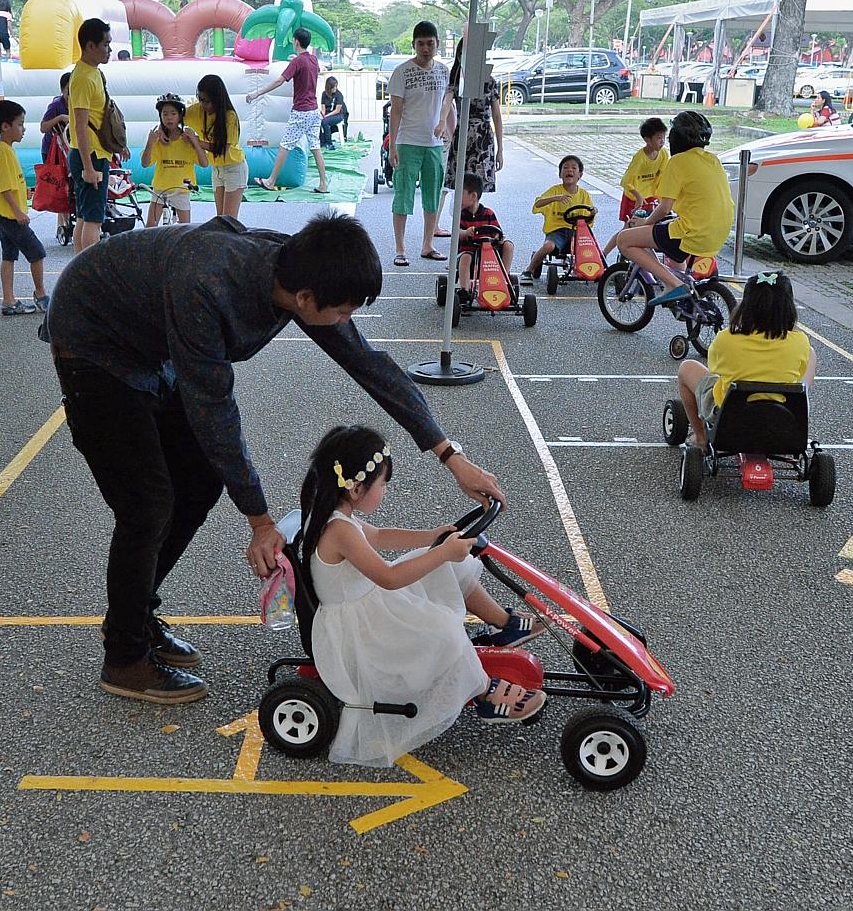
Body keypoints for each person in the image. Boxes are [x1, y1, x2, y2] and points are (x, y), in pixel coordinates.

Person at [45, 213, 508, 704]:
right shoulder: (208, 287)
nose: (346, 321)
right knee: (147, 504)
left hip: (151, 335)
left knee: (201, 481)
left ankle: (132, 613)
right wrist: (261, 523)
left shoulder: (298, 273)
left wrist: (449, 455)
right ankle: (125, 657)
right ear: (306, 300)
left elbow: (368, 364)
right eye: (344, 311)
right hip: (93, 341)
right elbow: (214, 412)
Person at [299, 425, 547, 766]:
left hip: (371, 604)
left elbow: (381, 536)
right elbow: (388, 577)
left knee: (449, 569)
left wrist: (432, 537)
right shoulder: (339, 530)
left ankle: (503, 623)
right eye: (383, 483)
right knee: (443, 628)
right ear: (357, 489)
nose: (385, 490)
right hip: (360, 630)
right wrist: (443, 552)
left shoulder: (340, 516)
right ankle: (484, 692)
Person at [674, 271, 816, 449]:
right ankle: (803, 407)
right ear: (788, 307)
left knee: (687, 368)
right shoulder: (800, 341)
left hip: (730, 416)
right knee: (810, 354)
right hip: (783, 415)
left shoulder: (726, 339)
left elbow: (714, 369)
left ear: (746, 306)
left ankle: (701, 438)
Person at [608, 111, 732, 305]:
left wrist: (645, 223)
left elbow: (665, 208)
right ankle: (682, 295)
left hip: (692, 231)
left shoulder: (677, 162)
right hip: (719, 231)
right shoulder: (713, 159)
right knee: (673, 251)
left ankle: (674, 284)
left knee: (625, 240)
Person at [387, 22, 450, 267]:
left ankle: (428, 245)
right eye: (421, 43)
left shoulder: (444, 71)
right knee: (403, 196)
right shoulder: (402, 71)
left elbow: (448, 103)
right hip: (407, 142)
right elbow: (396, 111)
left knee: (432, 196)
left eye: (430, 43)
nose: (426, 48)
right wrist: (393, 146)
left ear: (437, 43)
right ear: (413, 45)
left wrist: (447, 127)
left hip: (434, 145)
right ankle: (400, 249)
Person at [68, 17, 129, 253]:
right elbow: (81, 126)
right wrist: (88, 167)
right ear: (90, 46)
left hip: (95, 153)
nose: (109, 50)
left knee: (85, 215)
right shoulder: (83, 78)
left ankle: (79, 272)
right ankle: (87, 272)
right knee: (93, 218)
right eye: (105, 44)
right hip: (90, 156)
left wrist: (115, 146)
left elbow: (98, 118)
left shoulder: (92, 73)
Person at [246, 27, 329, 194]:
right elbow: (307, 68)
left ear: (296, 42)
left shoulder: (298, 62)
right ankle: (323, 183)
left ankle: (270, 181)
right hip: (313, 111)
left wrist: (257, 93)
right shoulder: (312, 59)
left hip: (301, 112)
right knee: (315, 146)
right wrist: (295, 59)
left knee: (285, 145)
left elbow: (279, 81)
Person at [0, 100, 48, 316]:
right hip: (11, 217)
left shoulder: (5, 150)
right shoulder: (4, 152)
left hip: (5, 215)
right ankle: (41, 295)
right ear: (6, 126)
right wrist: (18, 212)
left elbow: (11, 183)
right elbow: (5, 188)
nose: (23, 129)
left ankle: (8, 301)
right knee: (37, 253)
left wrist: (25, 192)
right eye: (20, 124)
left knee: (9, 256)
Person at [438, 38, 504, 199]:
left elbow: (497, 115)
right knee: (457, 182)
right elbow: (447, 102)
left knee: (477, 186)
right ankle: (452, 220)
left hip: (484, 137)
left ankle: (473, 219)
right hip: (463, 136)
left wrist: (500, 149)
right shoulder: (456, 80)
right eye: (462, 54)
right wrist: (441, 122)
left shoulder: (489, 81)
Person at [185, 74, 248, 218]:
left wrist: (196, 141)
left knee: (229, 220)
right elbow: (177, 116)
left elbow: (222, 149)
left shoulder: (230, 116)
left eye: (206, 101)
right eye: (200, 99)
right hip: (217, 169)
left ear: (217, 99)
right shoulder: (198, 110)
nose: (203, 105)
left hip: (234, 168)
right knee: (220, 219)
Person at [142, 92, 209, 226]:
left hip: (181, 190)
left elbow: (204, 163)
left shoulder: (187, 139)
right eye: (165, 114)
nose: (169, 118)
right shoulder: (158, 139)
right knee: (150, 227)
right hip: (160, 189)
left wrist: (195, 142)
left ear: (180, 116)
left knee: (185, 228)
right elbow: (145, 164)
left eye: (173, 113)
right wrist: (150, 143)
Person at [526, 155, 594, 283]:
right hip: (557, 231)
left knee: (591, 247)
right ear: (560, 173)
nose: (570, 170)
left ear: (580, 175)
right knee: (548, 247)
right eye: (566, 168)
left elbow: (589, 219)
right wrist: (555, 198)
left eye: (574, 168)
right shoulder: (554, 191)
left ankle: (597, 268)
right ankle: (529, 270)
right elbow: (537, 204)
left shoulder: (584, 194)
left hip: (577, 232)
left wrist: (593, 212)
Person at [453, 172, 512, 295]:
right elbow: (456, 232)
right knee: (465, 258)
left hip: (489, 252)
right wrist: (465, 232)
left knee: (508, 245)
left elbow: (498, 231)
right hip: (470, 250)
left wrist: (497, 237)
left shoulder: (488, 213)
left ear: (473, 196)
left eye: (460, 193)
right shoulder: (461, 215)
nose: (456, 197)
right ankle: (465, 289)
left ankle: (505, 278)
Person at [619, 117, 668, 221]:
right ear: (647, 140)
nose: (662, 141)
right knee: (630, 226)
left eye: (664, 137)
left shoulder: (663, 154)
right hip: (633, 198)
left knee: (650, 225)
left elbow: (662, 176)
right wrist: (638, 197)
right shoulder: (639, 158)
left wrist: (660, 197)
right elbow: (625, 181)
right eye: (659, 138)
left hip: (651, 197)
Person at [39, 72, 71, 164]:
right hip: (52, 150)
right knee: (55, 176)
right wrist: (60, 118)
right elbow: (43, 128)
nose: (72, 94)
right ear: (62, 89)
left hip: (69, 149)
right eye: (69, 90)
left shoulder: (80, 104)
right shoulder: (56, 105)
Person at [319, 76, 347, 149]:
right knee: (317, 121)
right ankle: (321, 141)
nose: (335, 88)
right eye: (334, 87)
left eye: (336, 86)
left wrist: (326, 116)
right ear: (329, 87)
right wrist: (322, 115)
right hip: (327, 115)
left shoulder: (339, 95)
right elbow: (323, 108)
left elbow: (337, 110)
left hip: (337, 115)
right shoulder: (324, 94)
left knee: (325, 121)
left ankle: (329, 143)